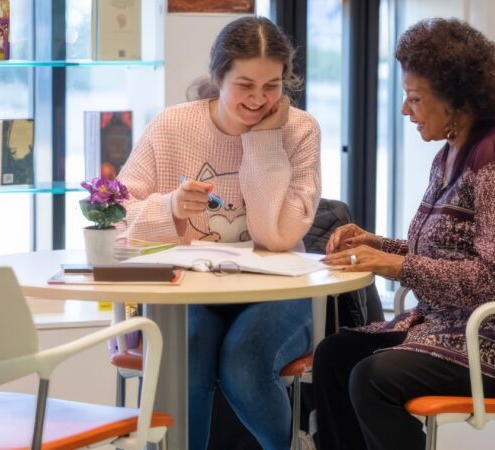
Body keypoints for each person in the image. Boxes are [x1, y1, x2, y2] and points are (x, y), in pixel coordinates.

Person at [313, 18, 495, 450]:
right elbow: (448, 251)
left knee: (373, 379)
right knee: (335, 355)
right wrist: (377, 244)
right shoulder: (452, 152)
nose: (406, 111)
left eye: (415, 99)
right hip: (465, 328)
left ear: (457, 100)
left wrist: (398, 266)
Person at [115, 16, 321, 450]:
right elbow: (115, 217)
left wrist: (264, 141)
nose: (259, 100)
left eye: (272, 86)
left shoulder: (299, 131)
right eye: (245, 85)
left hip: (277, 296)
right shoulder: (173, 126)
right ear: (217, 76)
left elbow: (278, 237)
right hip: (189, 293)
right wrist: (169, 207)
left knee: (245, 358)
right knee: (186, 352)